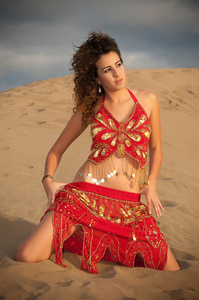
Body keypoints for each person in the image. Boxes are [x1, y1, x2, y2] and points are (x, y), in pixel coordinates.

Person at [15, 31, 180, 273]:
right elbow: (55, 151)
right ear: (97, 77)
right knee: (26, 255)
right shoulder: (91, 107)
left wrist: (151, 184)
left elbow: (155, 147)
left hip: (129, 208)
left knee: (171, 269)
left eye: (119, 64)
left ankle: (85, 239)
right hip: (84, 199)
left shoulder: (148, 100)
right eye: (107, 70)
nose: (117, 73)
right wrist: (48, 181)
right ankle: (79, 235)